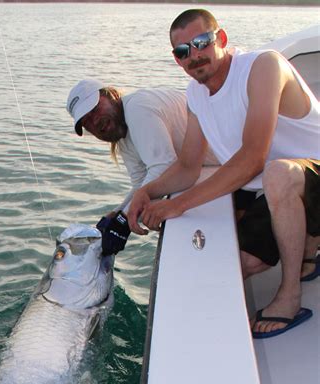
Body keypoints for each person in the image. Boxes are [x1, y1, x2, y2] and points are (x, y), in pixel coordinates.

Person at [127, 9, 320, 339]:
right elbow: (189, 167)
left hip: (307, 174)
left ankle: (290, 293)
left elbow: (252, 159)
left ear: (222, 39)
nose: (194, 55)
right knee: (235, 264)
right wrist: (147, 192)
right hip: (279, 188)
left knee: (275, 173)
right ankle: (309, 249)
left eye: (202, 42)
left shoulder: (262, 67)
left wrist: (178, 205)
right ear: (177, 59)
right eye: (183, 51)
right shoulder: (196, 95)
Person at [66, 79, 217, 255]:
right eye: (87, 123)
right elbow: (141, 184)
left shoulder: (138, 108)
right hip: (210, 166)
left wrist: (123, 222)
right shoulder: (122, 136)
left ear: (110, 95)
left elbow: (164, 167)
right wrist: (115, 215)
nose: (95, 122)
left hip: (228, 162)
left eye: (95, 109)